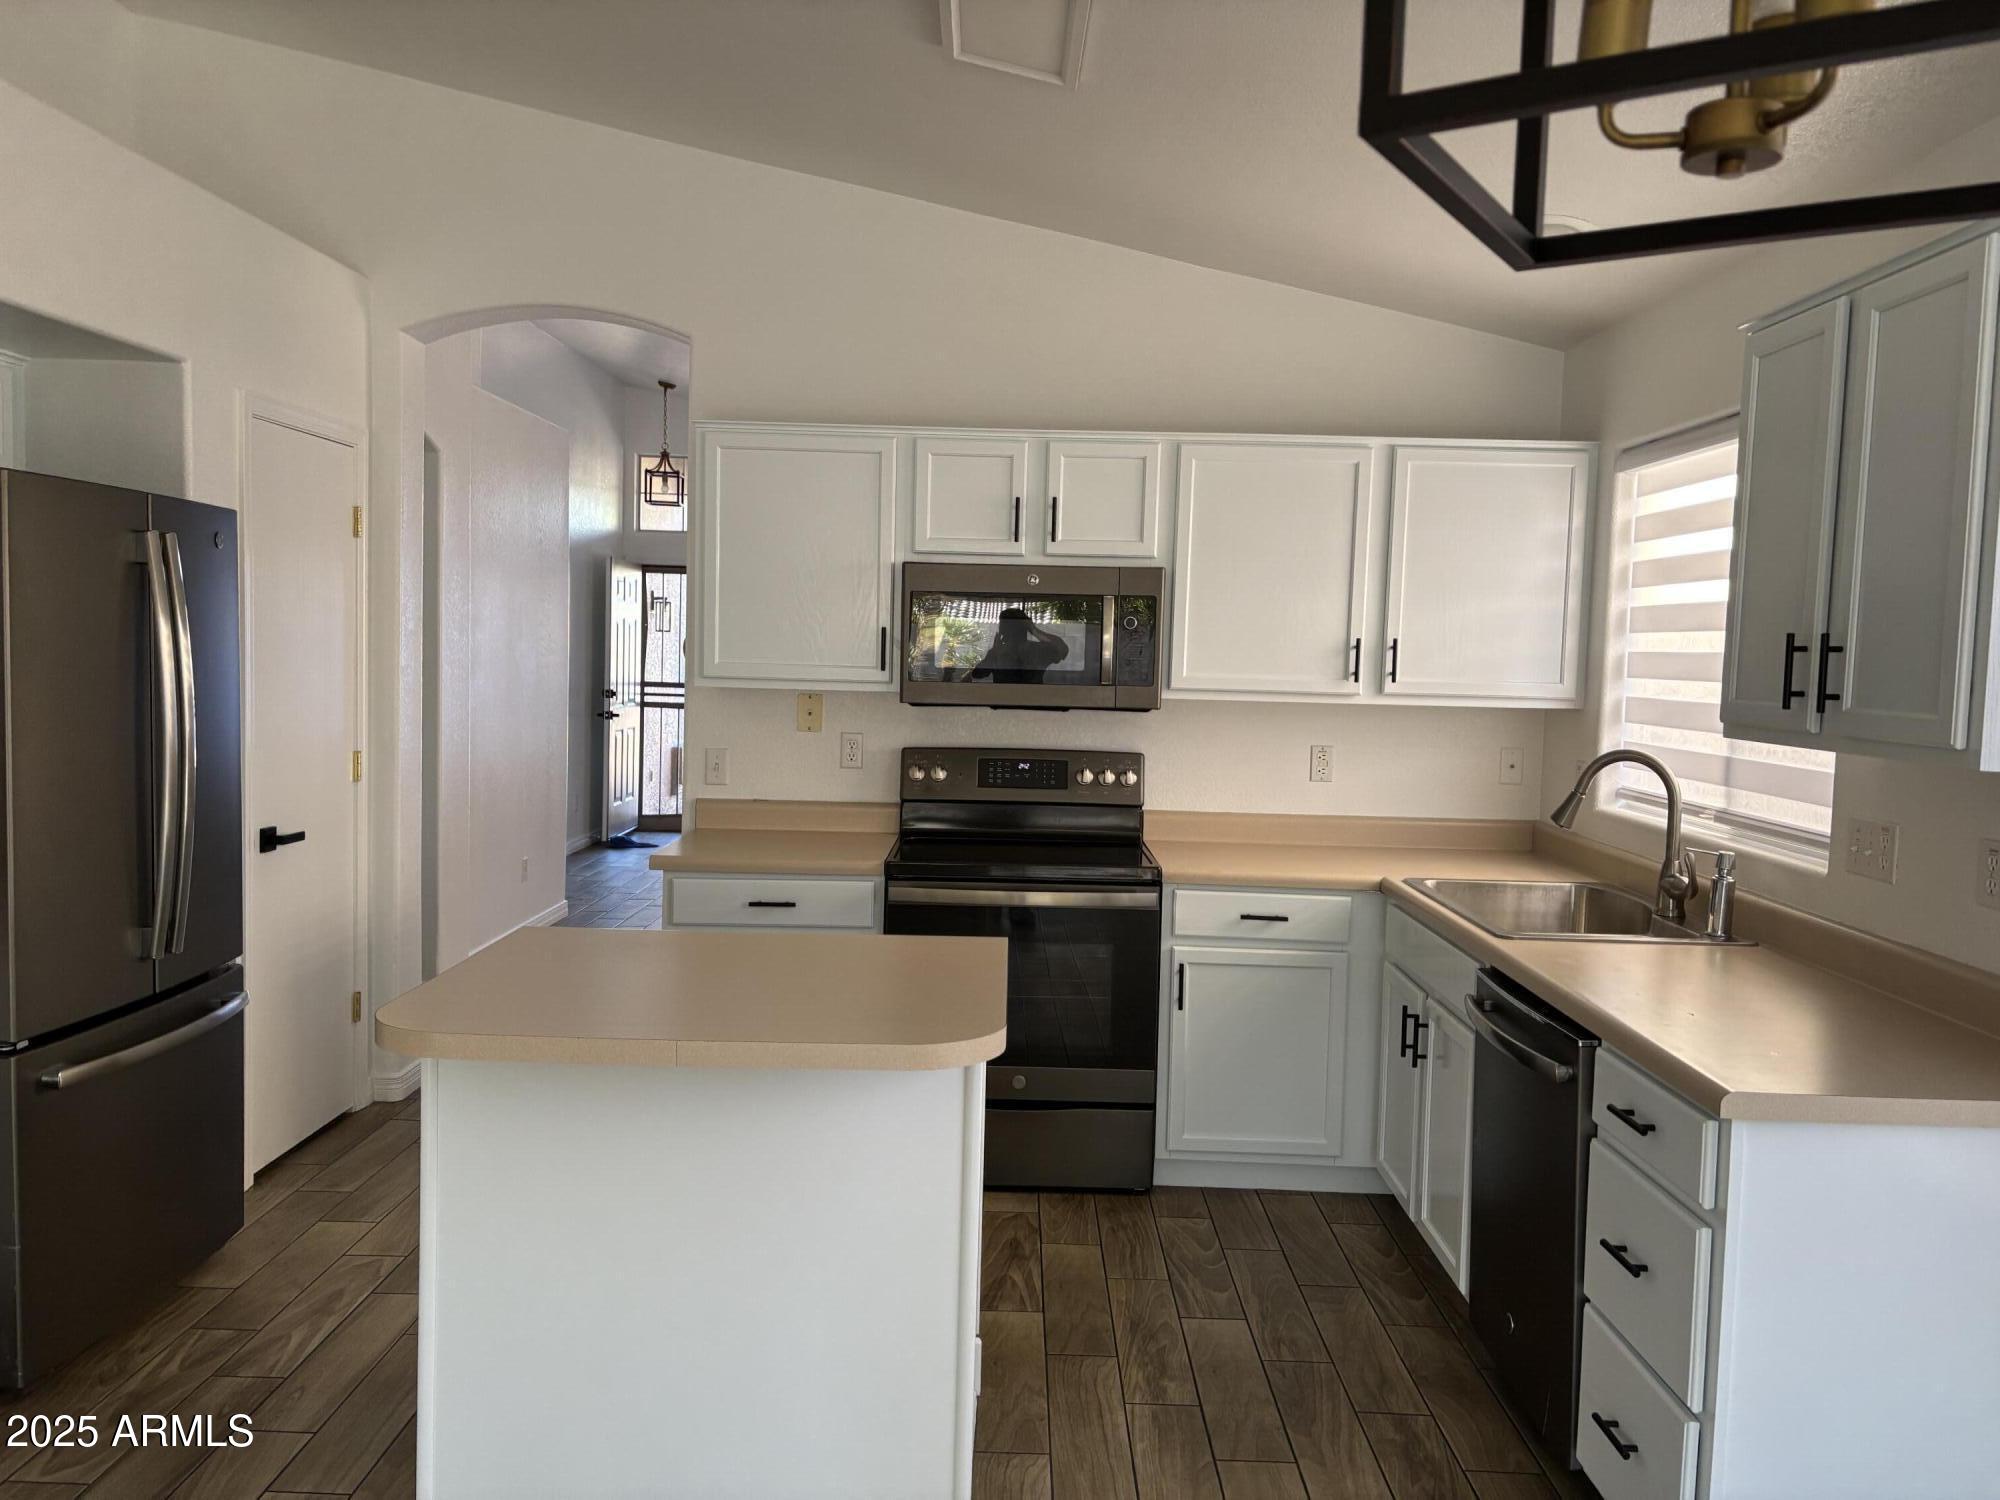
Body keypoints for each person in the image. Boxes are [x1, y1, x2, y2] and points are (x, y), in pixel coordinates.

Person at [967, 607, 1072, 683]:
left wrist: (995, 653)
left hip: (1004, 705)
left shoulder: (999, 652)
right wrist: (1034, 630)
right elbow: (1062, 650)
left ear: (1002, 630)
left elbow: (977, 674)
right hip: (1035, 702)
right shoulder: (1038, 650)